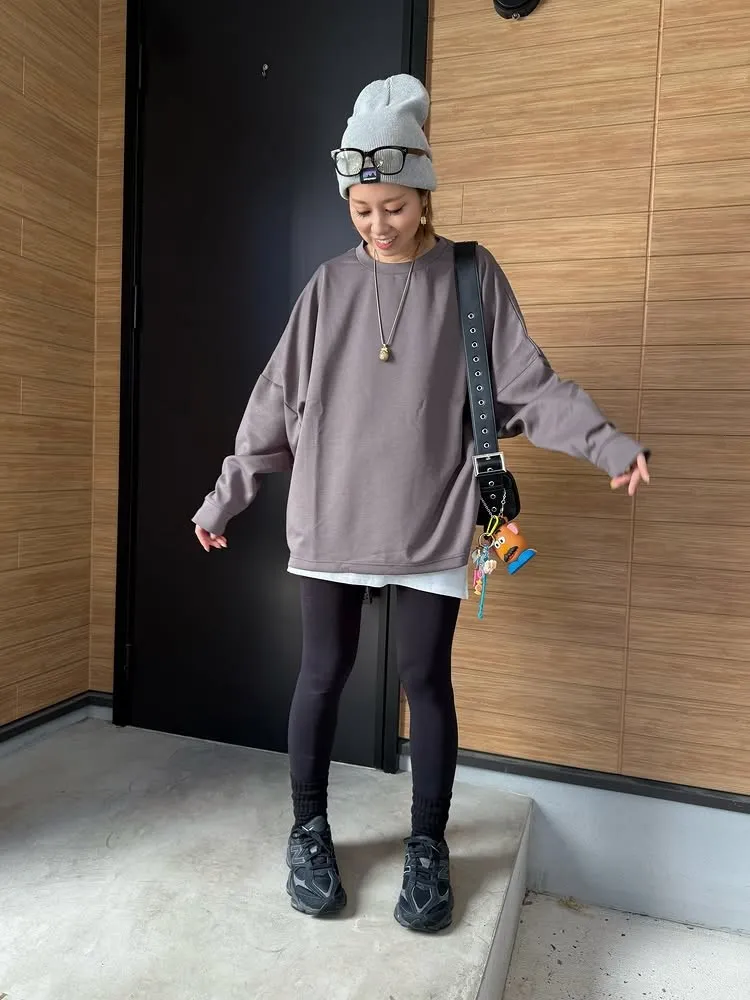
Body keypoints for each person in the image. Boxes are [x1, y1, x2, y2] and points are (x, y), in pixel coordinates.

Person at [192, 74, 650, 933]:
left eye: (394, 207)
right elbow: (273, 400)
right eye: (362, 209)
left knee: (424, 681)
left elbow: (530, 385)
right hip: (330, 516)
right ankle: (308, 831)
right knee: (321, 675)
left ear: (426, 192)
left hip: (433, 518)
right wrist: (225, 498)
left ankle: (428, 845)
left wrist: (607, 444)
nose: (378, 224)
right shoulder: (328, 287)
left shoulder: (469, 277)